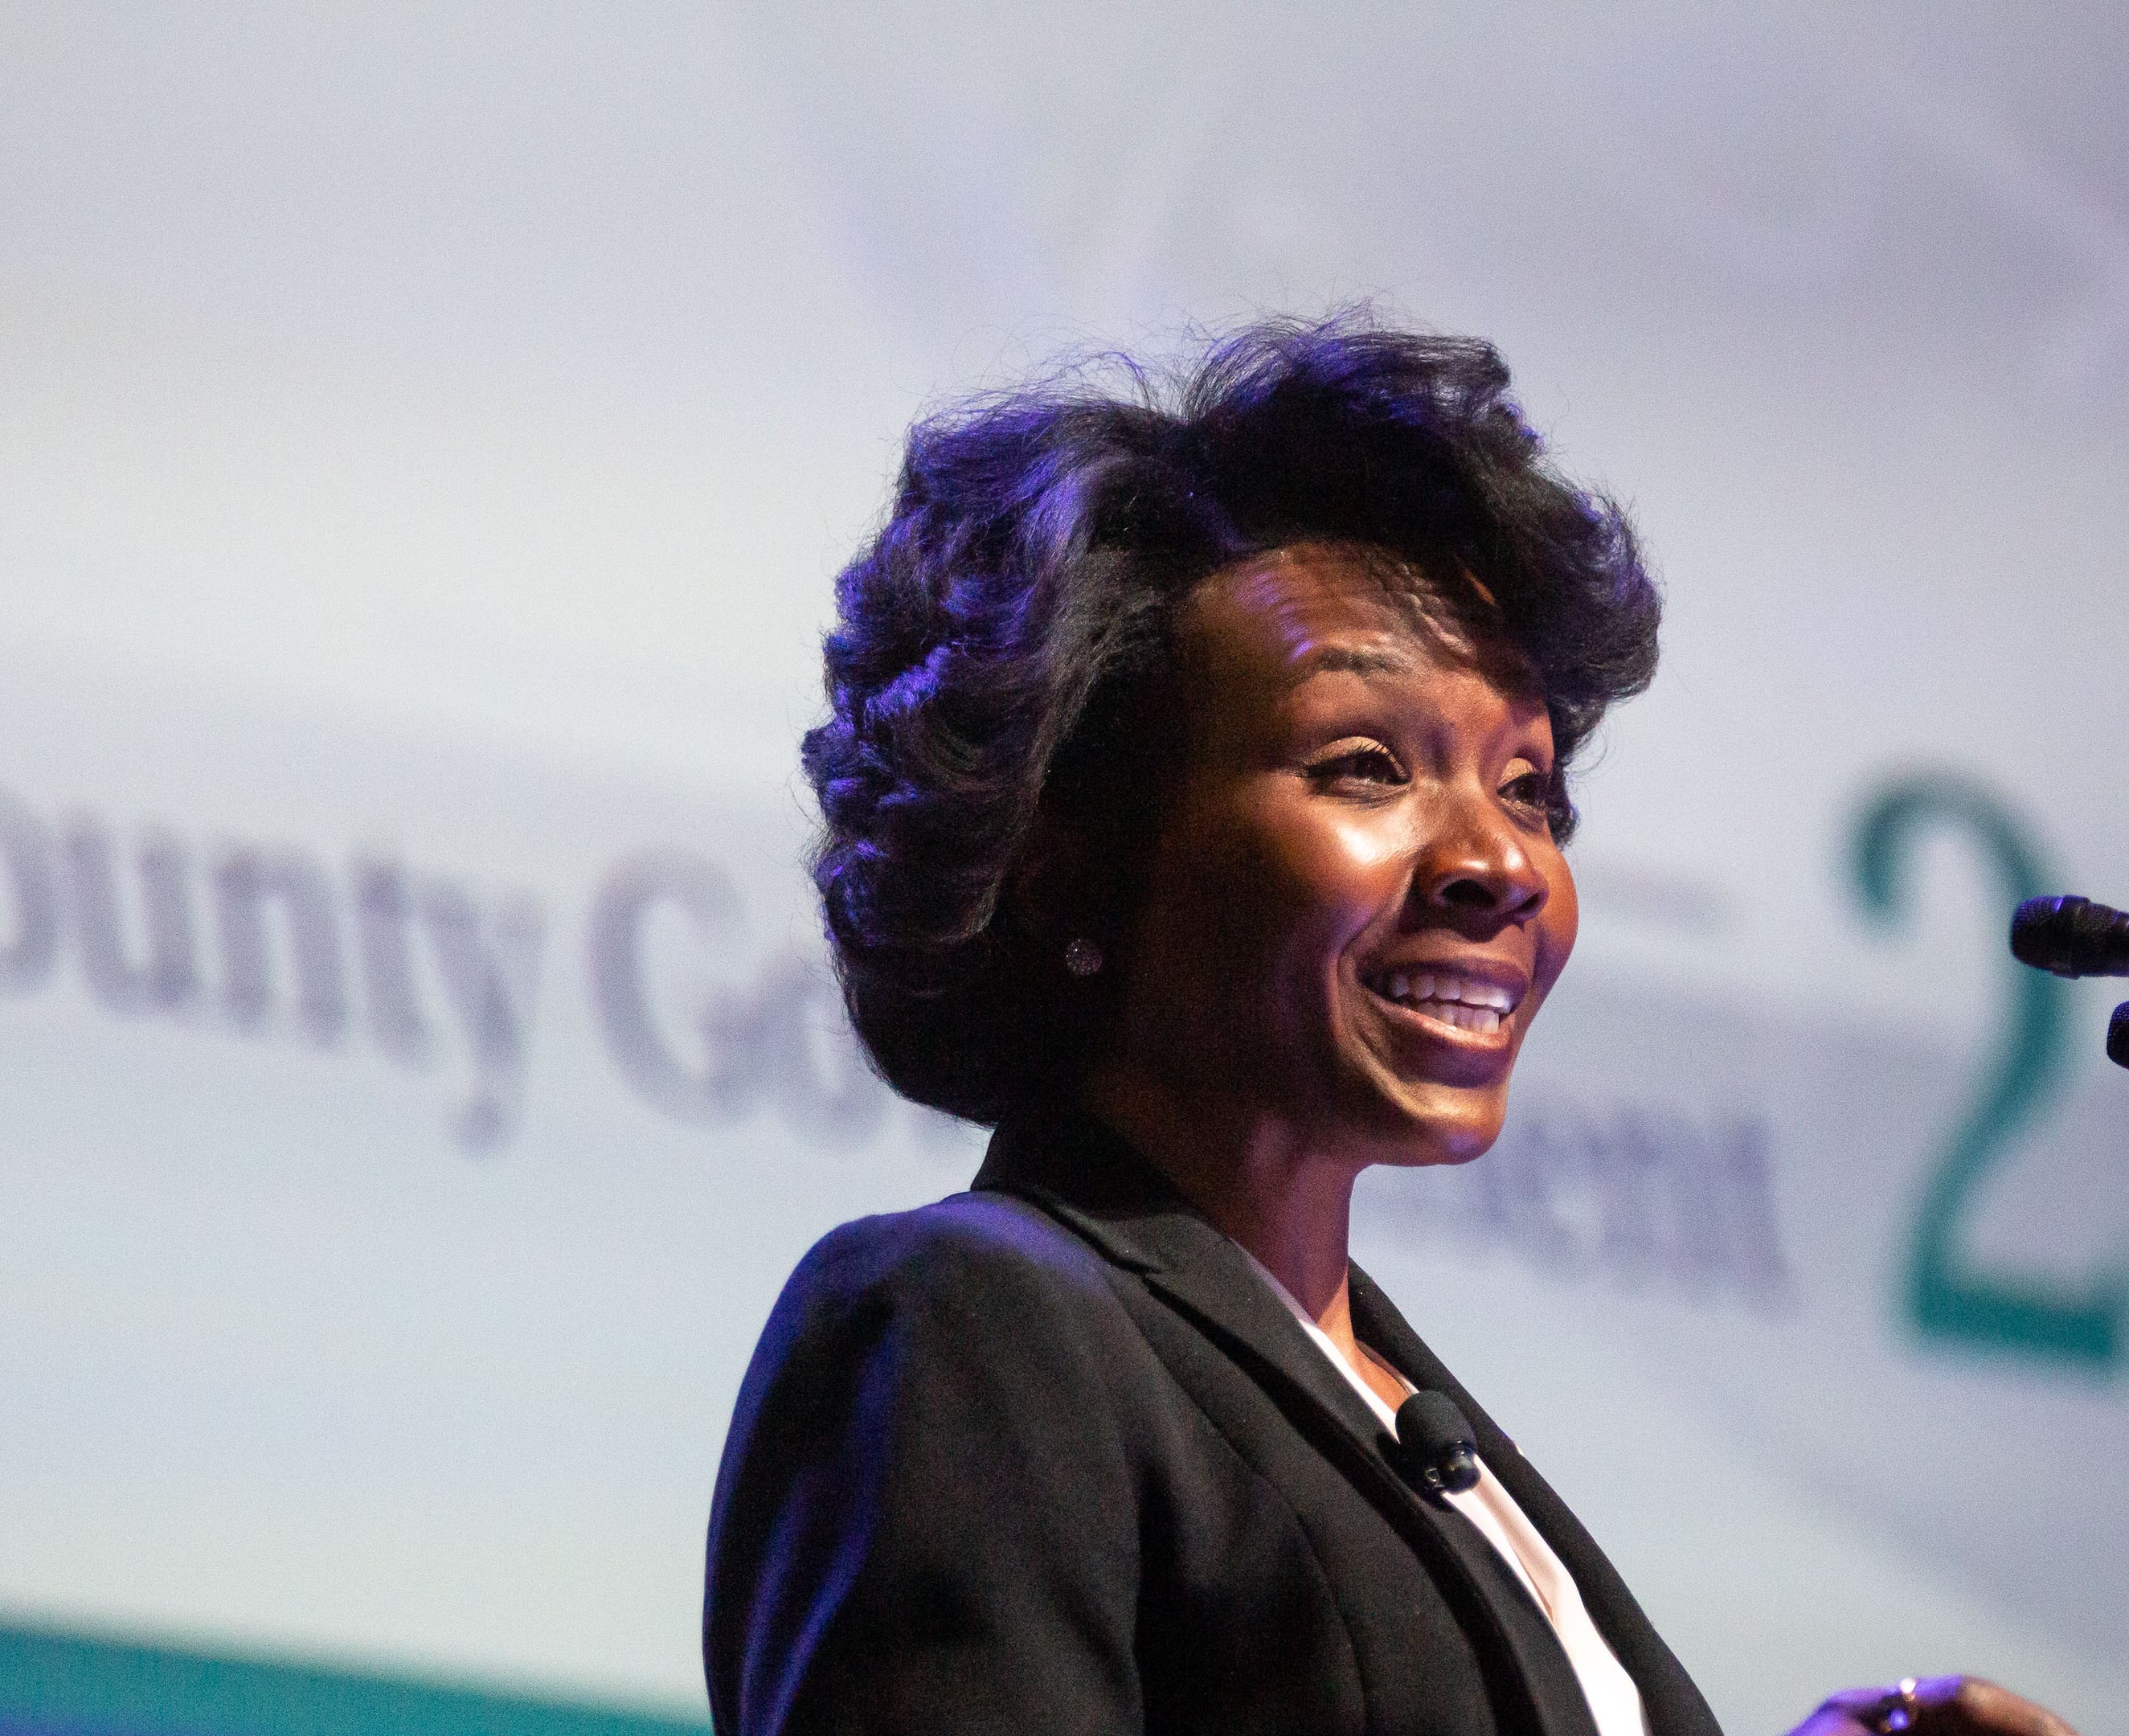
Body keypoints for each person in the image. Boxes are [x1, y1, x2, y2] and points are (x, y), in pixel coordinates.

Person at [703, 316, 2078, 1736]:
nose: (1504, 860)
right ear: (1067, 850)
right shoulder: (970, 1328)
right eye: (1367, 767)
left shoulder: (1393, 1408)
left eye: (1532, 789)